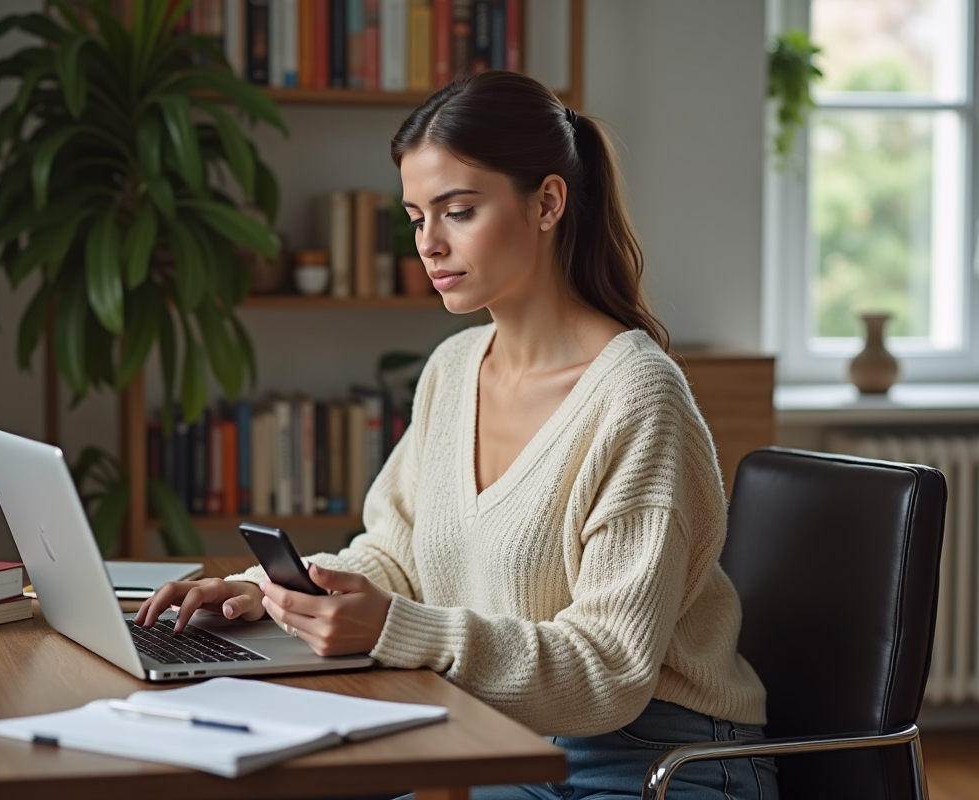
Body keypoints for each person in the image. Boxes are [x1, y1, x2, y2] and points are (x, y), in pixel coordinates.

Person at [136, 71, 777, 800]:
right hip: (496, 730)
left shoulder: (638, 397)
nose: (430, 244)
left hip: (657, 760)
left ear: (547, 203)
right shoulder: (453, 368)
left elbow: (608, 675)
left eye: (458, 211)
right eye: (415, 218)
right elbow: (396, 557)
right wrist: (266, 593)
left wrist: (397, 630)